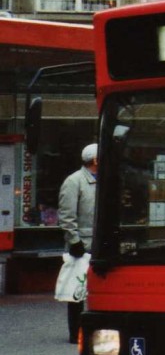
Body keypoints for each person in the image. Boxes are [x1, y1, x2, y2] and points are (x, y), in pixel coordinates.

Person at [59, 143, 98, 343]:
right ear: (95, 161)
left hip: (98, 243)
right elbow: (66, 215)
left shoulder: (101, 180)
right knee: (77, 290)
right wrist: (74, 240)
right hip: (82, 245)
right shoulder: (74, 181)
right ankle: (75, 332)